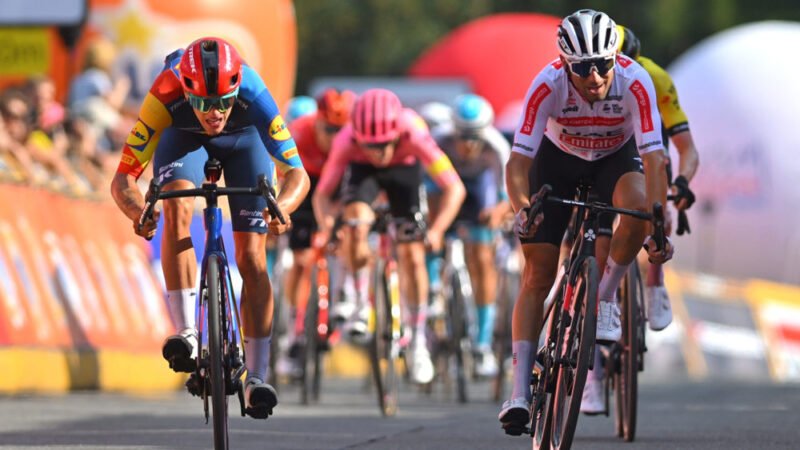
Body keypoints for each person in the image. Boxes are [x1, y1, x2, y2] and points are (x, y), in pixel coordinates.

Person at [109, 37, 310, 419]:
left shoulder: (253, 90)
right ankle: (187, 330)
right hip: (183, 140)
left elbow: (296, 173)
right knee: (176, 205)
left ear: (237, 89)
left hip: (245, 143)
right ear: (186, 91)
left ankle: (257, 376)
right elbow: (123, 179)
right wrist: (138, 211)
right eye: (202, 103)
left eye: (223, 102)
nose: (214, 113)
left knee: (252, 258)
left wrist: (281, 208)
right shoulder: (164, 92)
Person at [498, 9, 674, 429]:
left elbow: (654, 159)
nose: (593, 76)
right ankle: (518, 391)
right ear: (564, 64)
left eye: (601, 65)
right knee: (538, 274)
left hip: (615, 158)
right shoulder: (547, 84)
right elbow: (518, 161)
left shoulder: (636, 81)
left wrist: (658, 223)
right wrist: (522, 208)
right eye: (581, 68)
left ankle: (606, 297)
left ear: (615, 58)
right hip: (558, 160)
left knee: (638, 209)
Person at [312, 88, 466, 384]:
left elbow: (454, 188)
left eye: (384, 144)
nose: (378, 152)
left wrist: (436, 230)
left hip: (405, 171)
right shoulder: (346, 140)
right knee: (354, 222)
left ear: (397, 134)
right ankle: (359, 300)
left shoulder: (414, 133)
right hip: (363, 174)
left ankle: (417, 340)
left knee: (412, 254)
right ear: (357, 137)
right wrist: (328, 227)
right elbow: (322, 195)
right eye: (370, 145)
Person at [615, 25, 699, 331]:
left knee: (658, 200)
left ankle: (655, 279)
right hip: (606, 139)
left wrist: (682, 182)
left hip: (646, 141)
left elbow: (687, 149)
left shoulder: (655, 78)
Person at [428, 93, 511, 378]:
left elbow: (507, 194)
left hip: (480, 190)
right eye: (463, 136)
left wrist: (498, 212)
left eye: (475, 137)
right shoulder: (439, 140)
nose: (469, 144)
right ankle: (434, 288)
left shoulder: (496, 146)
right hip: (444, 187)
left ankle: (482, 343)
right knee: (432, 227)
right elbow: (424, 184)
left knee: (482, 258)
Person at [277, 87, 355, 377]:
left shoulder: (349, 140)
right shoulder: (298, 132)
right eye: (328, 129)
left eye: (339, 130)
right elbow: (280, 175)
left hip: (336, 188)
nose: (334, 137)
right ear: (317, 121)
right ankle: (294, 329)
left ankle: (343, 295)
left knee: (348, 236)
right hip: (304, 187)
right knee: (301, 260)